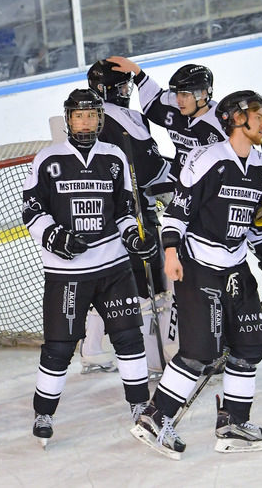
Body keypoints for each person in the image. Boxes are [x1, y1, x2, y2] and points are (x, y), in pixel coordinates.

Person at [130, 90, 262, 459]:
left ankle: (234, 422)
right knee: (201, 351)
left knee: (251, 346)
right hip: (197, 265)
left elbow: (260, 225)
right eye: (256, 114)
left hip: (235, 267)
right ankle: (155, 418)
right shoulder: (208, 160)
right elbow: (177, 214)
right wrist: (170, 252)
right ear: (236, 119)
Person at [21, 88, 154, 445]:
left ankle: (140, 406)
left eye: (92, 115)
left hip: (113, 267)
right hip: (67, 273)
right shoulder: (48, 159)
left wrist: (134, 237)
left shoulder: (113, 157)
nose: (86, 121)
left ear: (100, 119)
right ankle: (44, 412)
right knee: (60, 346)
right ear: (68, 120)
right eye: (79, 116)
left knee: (129, 337)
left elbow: (125, 210)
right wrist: (55, 238)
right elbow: (32, 211)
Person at [86, 59, 177, 375]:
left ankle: (92, 350)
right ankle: (155, 358)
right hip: (128, 215)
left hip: (124, 213)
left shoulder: (126, 117)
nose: (126, 92)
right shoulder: (106, 120)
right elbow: (143, 168)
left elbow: (149, 163)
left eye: (128, 86)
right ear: (103, 90)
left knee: (112, 280)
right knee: (148, 284)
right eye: (120, 87)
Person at [107, 56, 225, 179]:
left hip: (205, 188)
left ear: (203, 94)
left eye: (184, 95)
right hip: (176, 179)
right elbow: (153, 101)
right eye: (177, 93)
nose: (178, 100)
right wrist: (137, 72)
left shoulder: (221, 127)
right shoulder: (173, 108)